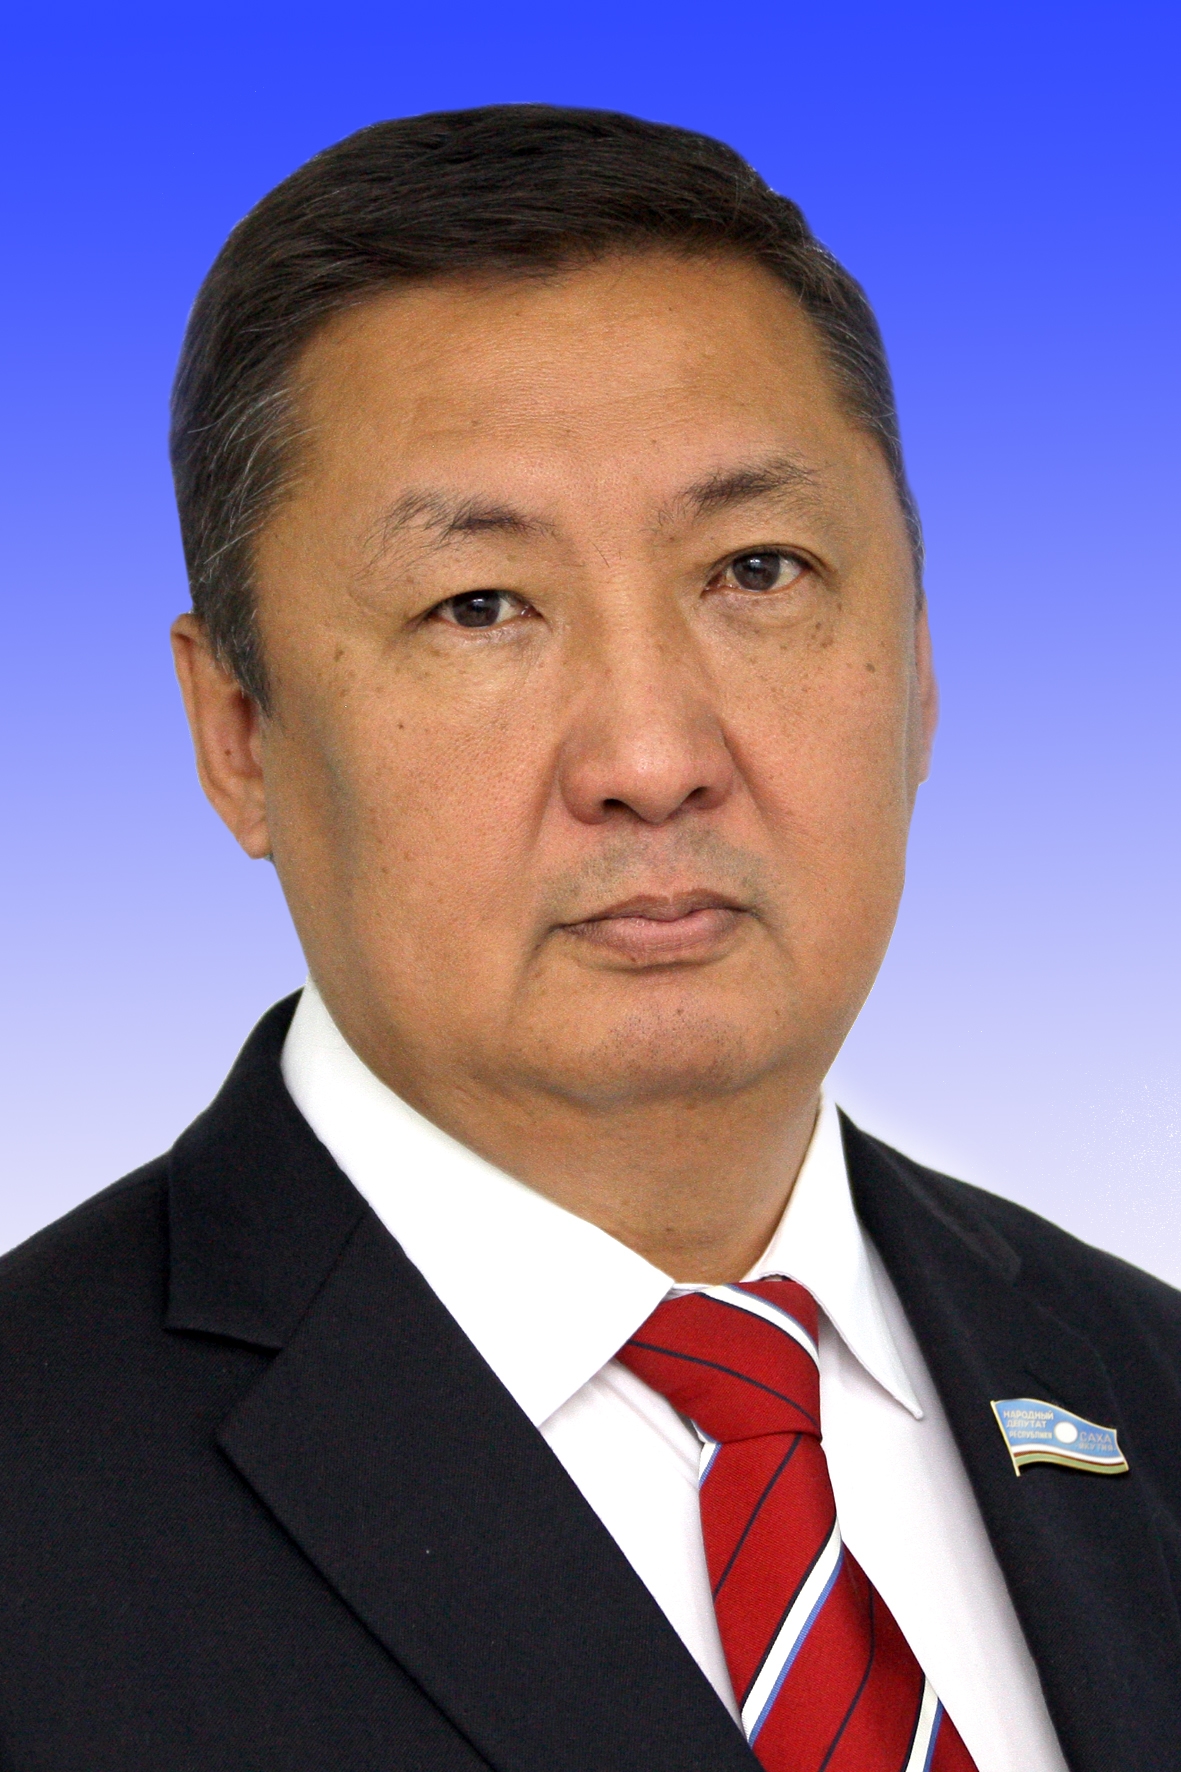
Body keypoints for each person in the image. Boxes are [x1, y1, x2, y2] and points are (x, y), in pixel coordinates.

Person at [0, 105, 1177, 1772]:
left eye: (754, 569)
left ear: (918, 660)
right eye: (478, 606)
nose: (650, 756)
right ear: (238, 735)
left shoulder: (1142, 1382)